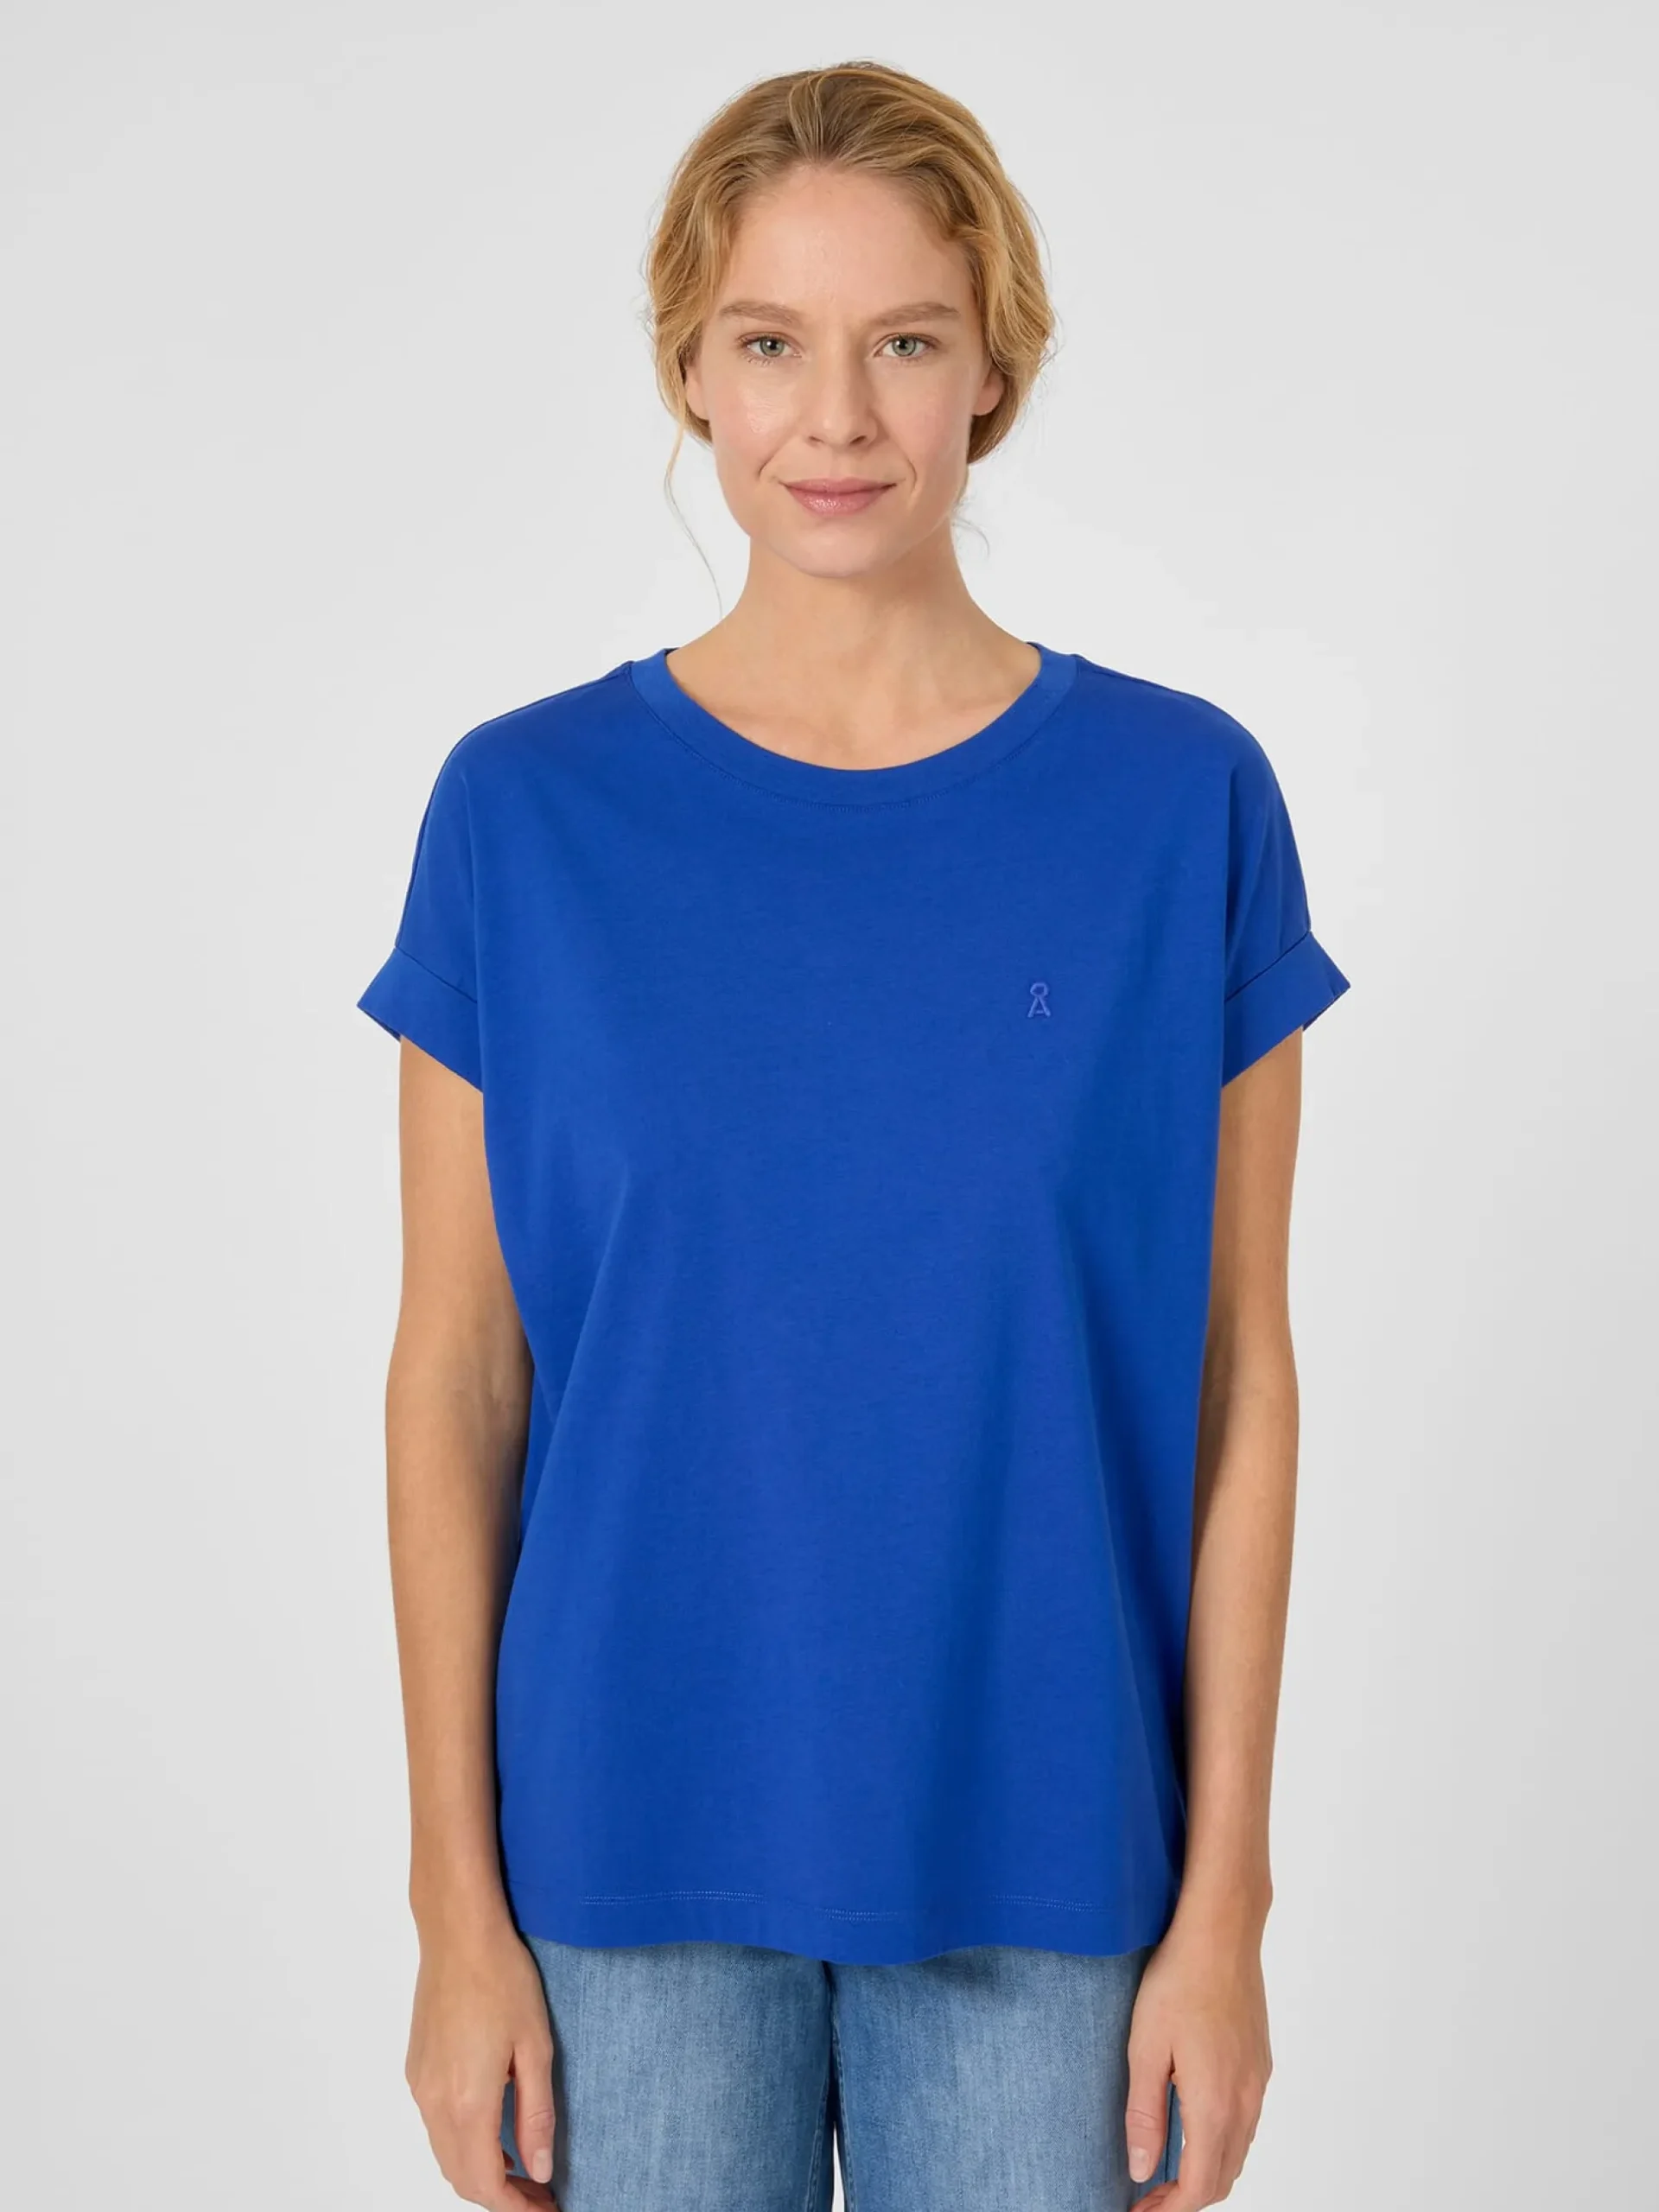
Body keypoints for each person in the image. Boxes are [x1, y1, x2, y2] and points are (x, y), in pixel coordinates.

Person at [356, 58, 1351, 2212]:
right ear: (689, 373)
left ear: (994, 363)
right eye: (769, 344)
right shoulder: (522, 817)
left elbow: (1240, 1380)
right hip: (619, 1863)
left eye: (903, 341)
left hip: (1052, 1852)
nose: (836, 416)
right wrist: (452, 1908)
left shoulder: (1180, 808)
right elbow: (458, 1379)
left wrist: (1229, 1911)